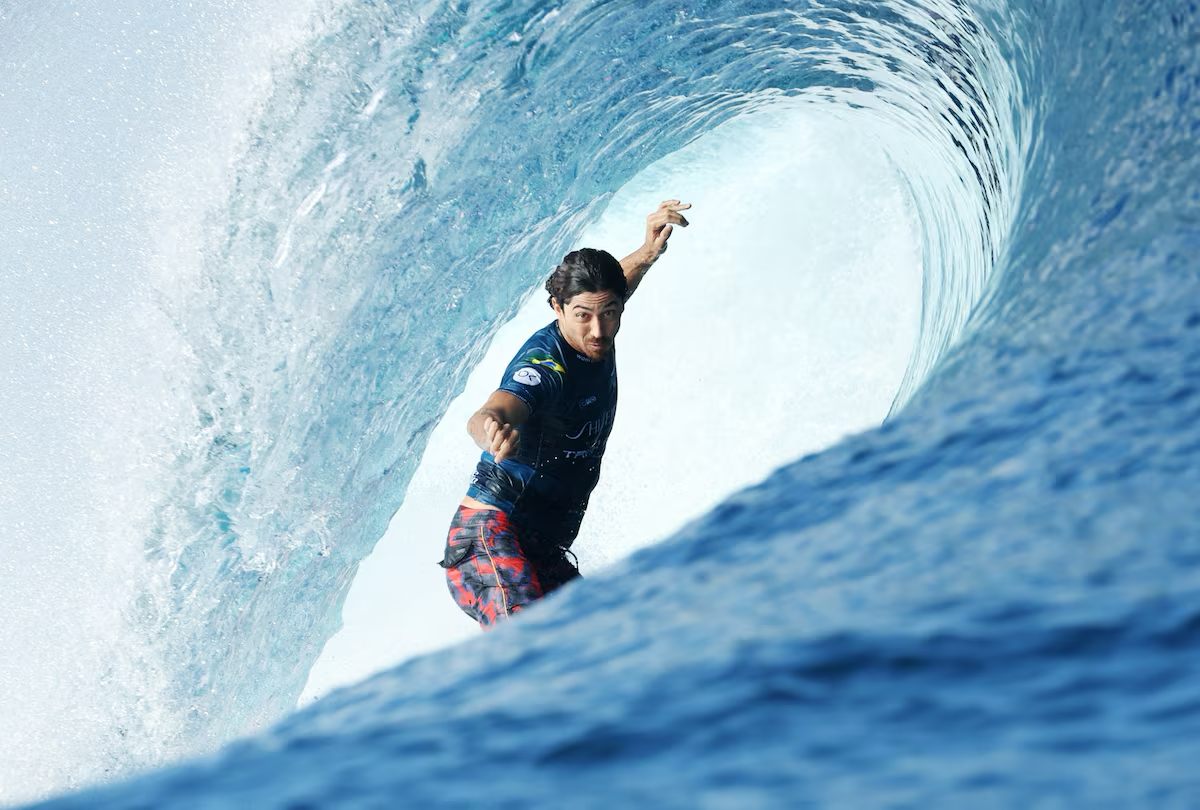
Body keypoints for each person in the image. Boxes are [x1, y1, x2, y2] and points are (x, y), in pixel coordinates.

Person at [440, 199, 692, 628]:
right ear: (557, 308)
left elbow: (609, 292)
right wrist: (492, 429)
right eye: (583, 316)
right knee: (532, 645)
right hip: (489, 537)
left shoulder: (597, 320)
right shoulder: (544, 366)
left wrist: (647, 253)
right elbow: (491, 411)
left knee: (605, 646)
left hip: (542, 551)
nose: (598, 330)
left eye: (609, 314)